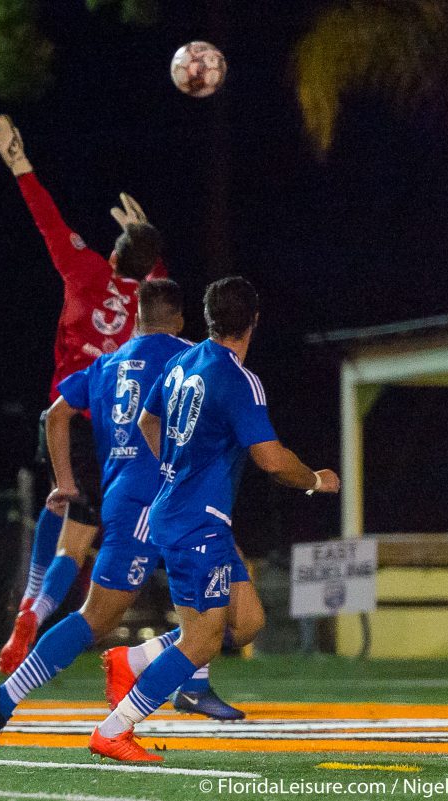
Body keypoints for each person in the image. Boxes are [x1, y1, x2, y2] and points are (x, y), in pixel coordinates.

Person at [0, 280, 250, 748]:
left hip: (136, 499)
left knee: (238, 610)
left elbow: (55, 415)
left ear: (136, 317)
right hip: (155, 501)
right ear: (181, 320)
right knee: (97, 617)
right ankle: (3, 699)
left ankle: (182, 677)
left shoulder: (106, 364)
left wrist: (65, 482)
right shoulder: (190, 355)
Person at [88, 276, 340, 762]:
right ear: (254, 321)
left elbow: (147, 418)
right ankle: (114, 729)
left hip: (195, 518)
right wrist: (315, 479)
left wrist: (173, 467)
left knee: (246, 623)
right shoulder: (237, 377)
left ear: (208, 318)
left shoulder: (184, 360)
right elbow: (269, 458)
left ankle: (133, 658)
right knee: (201, 641)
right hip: (193, 524)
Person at [0, 114, 165, 674]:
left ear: (112, 254)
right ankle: (35, 612)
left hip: (65, 412)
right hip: (114, 427)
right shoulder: (148, 298)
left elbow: (48, 222)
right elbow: (158, 277)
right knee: (79, 534)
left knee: (57, 511)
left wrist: (20, 163)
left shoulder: (84, 270)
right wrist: (147, 239)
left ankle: (28, 609)